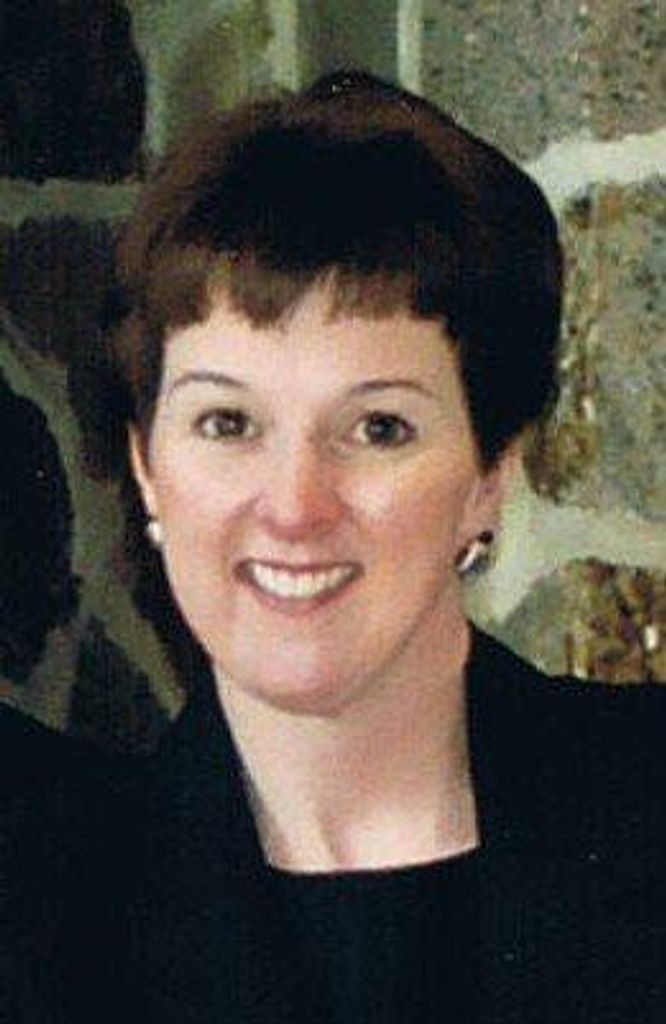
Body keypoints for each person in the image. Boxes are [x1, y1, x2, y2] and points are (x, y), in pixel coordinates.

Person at [1, 70, 664, 1024]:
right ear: (148, 469)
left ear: (490, 473)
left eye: (378, 429)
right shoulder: (40, 909)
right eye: (228, 423)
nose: (294, 507)